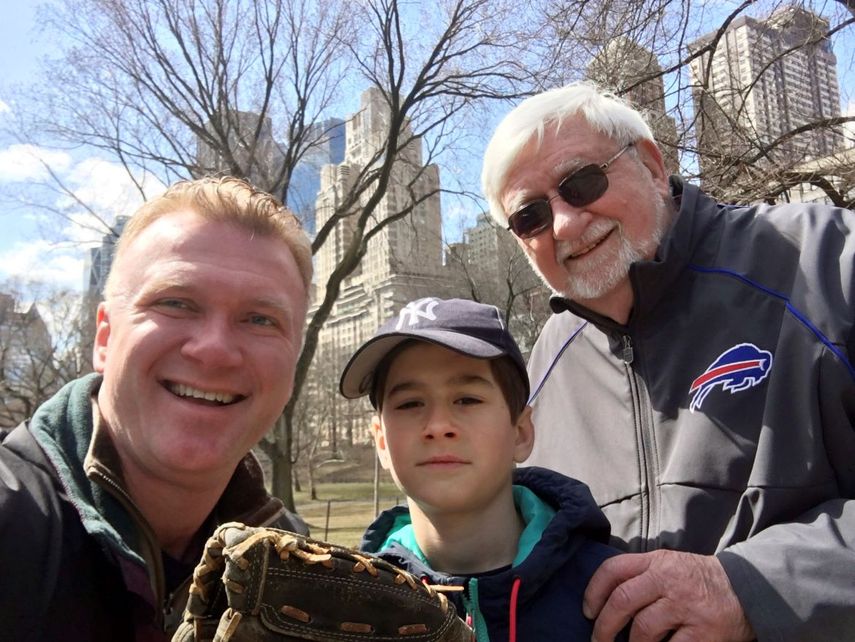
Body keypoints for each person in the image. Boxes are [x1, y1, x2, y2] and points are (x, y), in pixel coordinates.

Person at [479, 81, 855, 641]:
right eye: (531, 216)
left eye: (581, 183)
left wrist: (753, 587)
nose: (563, 224)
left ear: (653, 166)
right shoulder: (544, 369)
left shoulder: (827, 261)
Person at [0, 176, 313, 641]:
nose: (215, 350)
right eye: (176, 302)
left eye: (260, 319)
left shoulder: (305, 578)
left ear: (293, 361)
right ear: (104, 337)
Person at [340, 296, 627, 641]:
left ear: (520, 433)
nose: (438, 425)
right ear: (382, 443)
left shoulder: (612, 593)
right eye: (410, 403)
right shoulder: (348, 605)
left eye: (467, 399)